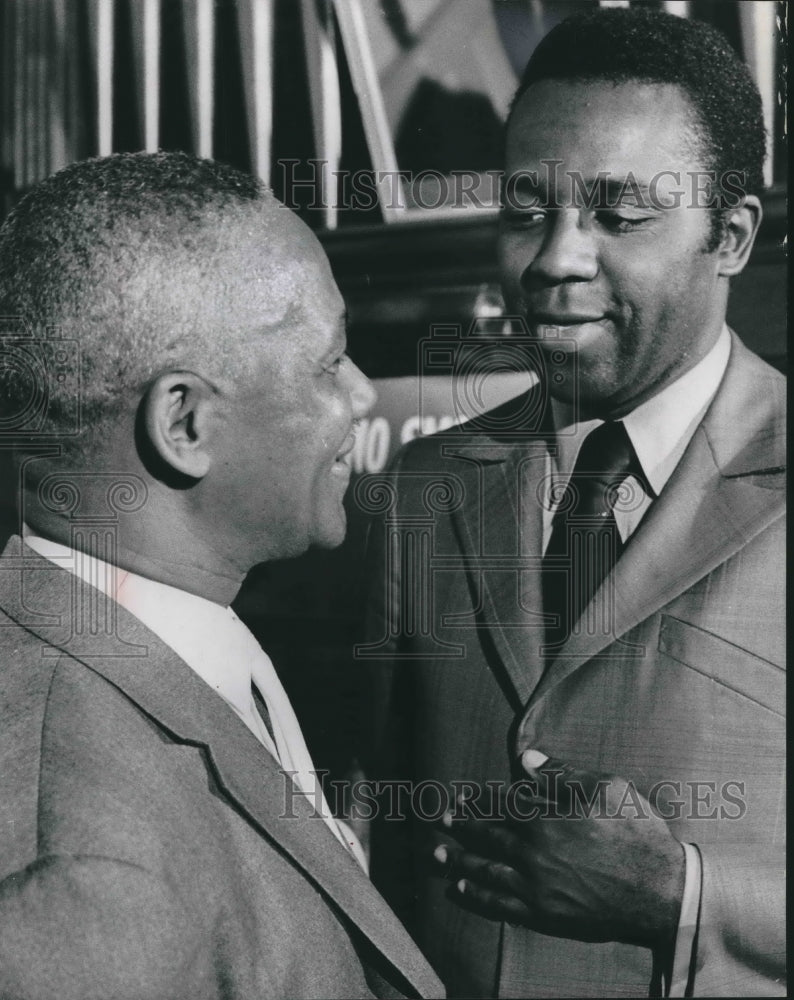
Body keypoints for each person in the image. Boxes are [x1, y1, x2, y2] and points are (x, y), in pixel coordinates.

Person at [363, 9, 784, 998]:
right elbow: (380, 834)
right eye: (524, 209)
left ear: (727, 236)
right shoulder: (422, 491)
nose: (553, 258)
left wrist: (679, 900)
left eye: (616, 214)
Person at [0, 151, 443, 1000]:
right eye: (328, 362)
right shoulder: (82, 874)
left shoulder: (163, 640)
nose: (358, 396)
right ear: (185, 422)